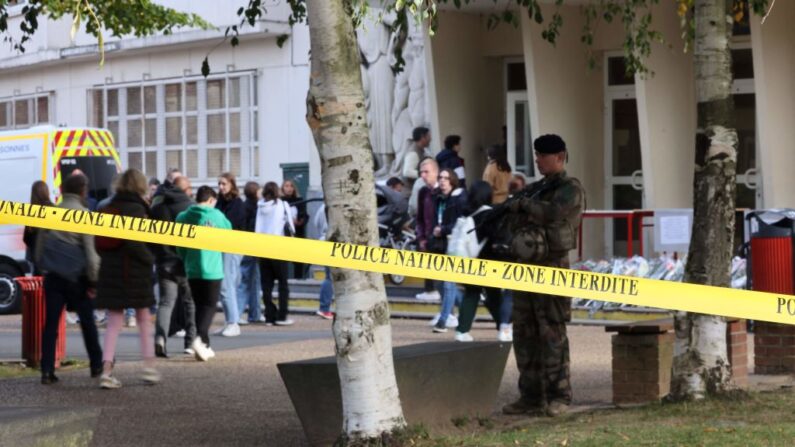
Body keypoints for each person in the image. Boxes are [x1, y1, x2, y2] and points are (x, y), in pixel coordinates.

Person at [501, 134, 585, 418]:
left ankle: (559, 395)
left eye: (542, 156)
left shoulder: (570, 188)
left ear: (559, 156)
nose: (537, 160)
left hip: (553, 270)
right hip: (526, 270)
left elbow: (555, 213)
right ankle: (531, 396)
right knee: (524, 333)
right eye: (536, 155)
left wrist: (524, 206)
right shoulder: (535, 189)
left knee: (551, 332)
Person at [94, 169, 160, 389]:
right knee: (143, 318)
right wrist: (151, 258)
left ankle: (106, 370)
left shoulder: (106, 207)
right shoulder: (137, 210)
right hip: (134, 272)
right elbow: (136, 244)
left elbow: (98, 244)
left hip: (110, 272)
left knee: (113, 322)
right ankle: (149, 368)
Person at [35, 174, 103, 385]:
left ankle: (46, 370)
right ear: (83, 190)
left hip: (54, 276)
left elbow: (39, 250)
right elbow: (92, 256)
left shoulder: (51, 213)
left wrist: (46, 267)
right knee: (87, 322)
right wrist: (93, 282)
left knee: (51, 324)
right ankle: (96, 364)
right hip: (77, 278)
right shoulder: (85, 215)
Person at [176, 186, 232, 361]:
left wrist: (185, 258)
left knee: (199, 306)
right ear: (210, 200)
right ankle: (199, 338)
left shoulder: (183, 217)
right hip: (212, 268)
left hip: (192, 268)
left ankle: (205, 344)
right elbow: (229, 234)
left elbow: (178, 244)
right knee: (209, 306)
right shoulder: (216, 216)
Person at [454, 181, 505, 342]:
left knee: (471, 295)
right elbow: (496, 237)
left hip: (470, 260)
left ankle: (462, 330)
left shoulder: (468, 215)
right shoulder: (491, 215)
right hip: (489, 261)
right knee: (495, 297)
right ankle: (504, 327)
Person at [151, 175, 196, 358]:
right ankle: (190, 342)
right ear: (185, 190)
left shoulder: (157, 206)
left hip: (163, 260)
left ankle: (160, 339)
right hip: (183, 261)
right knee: (189, 303)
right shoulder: (189, 207)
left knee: (165, 303)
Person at [430, 168, 467, 333]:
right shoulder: (438, 198)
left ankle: (443, 321)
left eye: (446, 178)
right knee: (439, 282)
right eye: (441, 178)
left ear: (452, 180)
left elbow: (461, 222)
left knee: (448, 283)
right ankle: (466, 306)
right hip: (441, 245)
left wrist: (443, 229)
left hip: (455, 245)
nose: (443, 180)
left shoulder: (460, 198)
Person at [255, 182, 295, 326]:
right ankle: (282, 315)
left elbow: (257, 229)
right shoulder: (282, 205)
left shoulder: (260, 206)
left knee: (266, 285)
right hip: (279, 247)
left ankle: (269, 315)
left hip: (263, 248)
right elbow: (291, 226)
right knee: (283, 284)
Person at [215, 172, 246, 337]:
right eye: (219, 184)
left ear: (231, 185)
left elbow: (231, 224)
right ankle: (230, 321)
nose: (221, 187)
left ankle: (233, 322)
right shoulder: (220, 202)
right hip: (222, 245)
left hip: (232, 245)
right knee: (227, 284)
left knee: (227, 284)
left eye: (224, 184)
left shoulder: (237, 203)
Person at [237, 181, 264, 324]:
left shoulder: (247, 206)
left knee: (254, 280)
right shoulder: (254, 208)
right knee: (247, 280)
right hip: (250, 246)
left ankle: (255, 312)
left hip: (248, 246)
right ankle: (239, 313)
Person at [414, 158, 440, 301]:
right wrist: (421, 237)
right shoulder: (423, 192)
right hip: (427, 235)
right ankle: (429, 289)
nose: (423, 175)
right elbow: (420, 217)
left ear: (436, 172)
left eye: (426, 172)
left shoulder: (442, 191)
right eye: (421, 172)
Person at [281, 179, 308, 279]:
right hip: (283, 234)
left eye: (291, 186)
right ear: (282, 188)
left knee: (298, 259)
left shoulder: (299, 200)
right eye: (286, 186)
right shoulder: (280, 201)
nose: (289, 188)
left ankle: (299, 278)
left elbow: (305, 216)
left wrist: (300, 222)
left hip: (297, 233)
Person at [24, 180, 53, 268]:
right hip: (52, 258)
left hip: (35, 259)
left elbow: (26, 238)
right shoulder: (55, 209)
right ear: (46, 192)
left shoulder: (30, 213)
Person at [313, 204, 334, 320]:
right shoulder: (338, 206)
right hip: (332, 243)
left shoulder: (322, 206)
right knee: (330, 277)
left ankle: (325, 307)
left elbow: (316, 223)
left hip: (324, 240)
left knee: (329, 276)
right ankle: (324, 308)